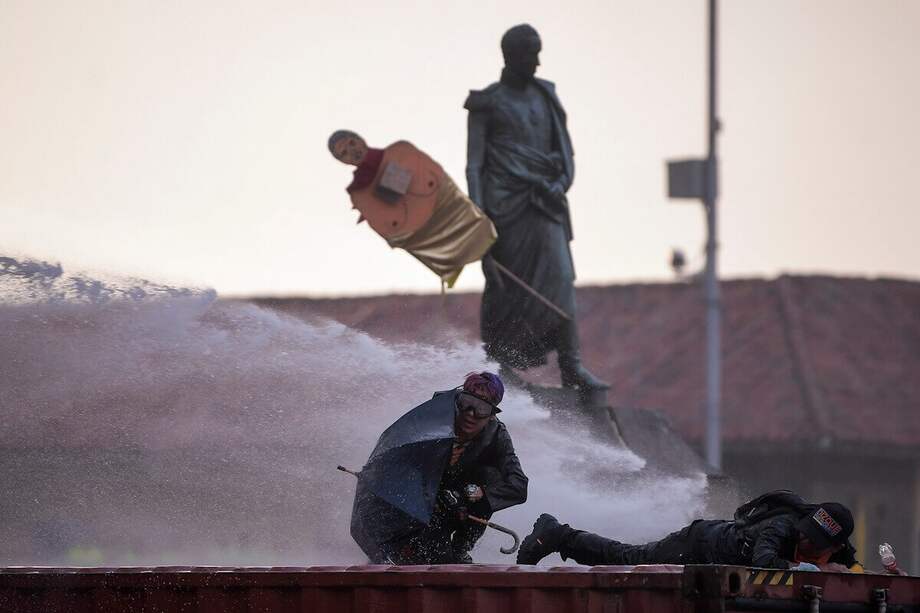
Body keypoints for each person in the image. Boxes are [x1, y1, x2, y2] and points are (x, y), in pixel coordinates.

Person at [465, 24, 607, 392]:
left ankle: (571, 364)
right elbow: (474, 165)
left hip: (546, 204)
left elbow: (565, 153)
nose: (538, 61)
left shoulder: (547, 96)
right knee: (503, 286)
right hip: (503, 209)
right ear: (510, 55)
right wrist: (480, 222)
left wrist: (560, 184)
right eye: (531, 53)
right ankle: (500, 363)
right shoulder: (487, 103)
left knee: (562, 278)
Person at [517, 491, 862, 571]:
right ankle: (558, 533)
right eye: (805, 534)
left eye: (814, 543)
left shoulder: (842, 553)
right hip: (700, 545)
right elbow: (764, 562)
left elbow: (857, 574)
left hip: (707, 559)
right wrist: (808, 568)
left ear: (835, 545)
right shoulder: (782, 527)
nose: (804, 541)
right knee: (629, 560)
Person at [395, 372, 528, 563]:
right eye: (466, 403)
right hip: (418, 504)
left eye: (481, 408)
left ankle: (461, 546)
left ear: (491, 415)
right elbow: (402, 460)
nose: (471, 414)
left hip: (460, 507)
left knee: (489, 475)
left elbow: (518, 486)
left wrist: (472, 493)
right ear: (457, 400)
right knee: (436, 555)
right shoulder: (434, 415)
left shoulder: (497, 435)